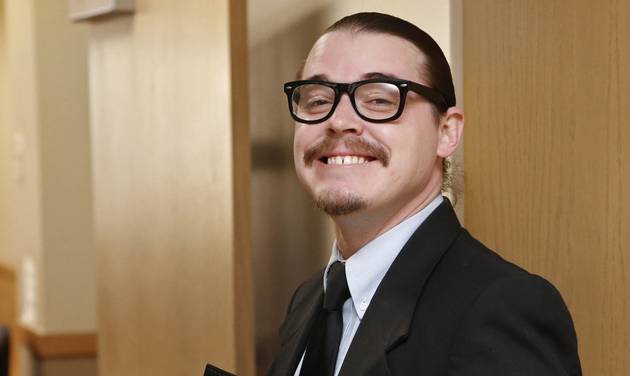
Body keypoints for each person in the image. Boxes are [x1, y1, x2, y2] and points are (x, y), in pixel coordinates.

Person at [268, 12, 581, 376]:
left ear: (447, 132)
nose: (338, 121)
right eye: (318, 100)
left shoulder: (501, 307)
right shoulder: (309, 301)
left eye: (379, 100)